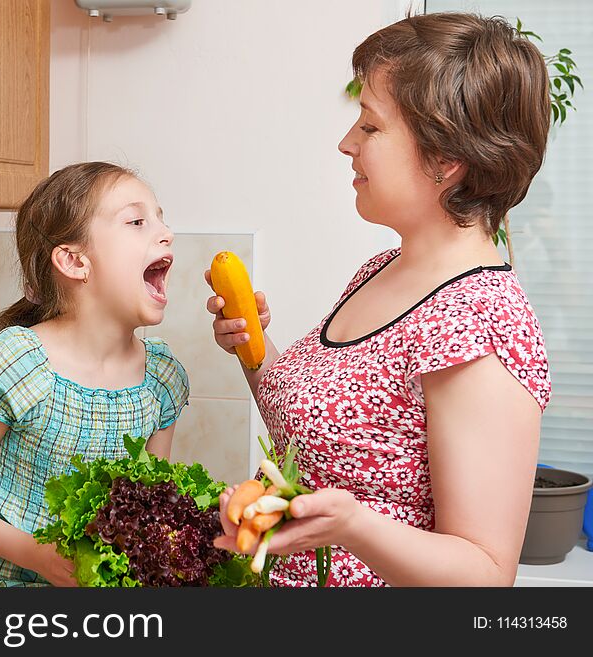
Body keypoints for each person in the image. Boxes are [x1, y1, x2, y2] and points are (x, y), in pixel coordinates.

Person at [208, 12, 552, 586]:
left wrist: (353, 527)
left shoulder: (479, 324)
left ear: (446, 159)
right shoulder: (383, 270)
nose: (347, 143)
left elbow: (485, 576)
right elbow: (328, 444)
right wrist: (254, 352)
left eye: (370, 126)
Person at [0, 161, 189, 587]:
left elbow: (146, 505)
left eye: (160, 217)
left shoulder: (160, 379)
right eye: (137, 221)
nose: (165, 232)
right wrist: (35, 555)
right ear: (74, 261)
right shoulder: (16, 363)